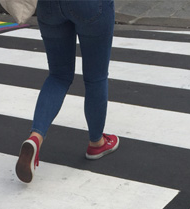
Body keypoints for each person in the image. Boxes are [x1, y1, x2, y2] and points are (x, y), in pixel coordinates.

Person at [17, 0, 119, 183]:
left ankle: (35, 137)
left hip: (49, 6)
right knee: (96, 77)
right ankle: (97, 142)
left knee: (58, 76)